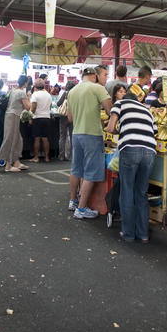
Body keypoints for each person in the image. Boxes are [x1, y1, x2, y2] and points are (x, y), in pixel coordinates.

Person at [106, 85, 156, 243]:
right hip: (150, 151)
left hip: (130, 149)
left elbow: (110, 127)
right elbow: (153, 132)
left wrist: (119, 132)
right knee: (141, 193)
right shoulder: (147, 109)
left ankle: (128, 234)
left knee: (127, 191)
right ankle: (143, 235)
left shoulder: (120, 104)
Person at [67, 67, 112, 219]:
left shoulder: (72, 91)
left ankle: (73, 201)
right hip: (92, 134)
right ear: (94, 76)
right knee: (91, 172)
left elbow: (69, 118)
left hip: (76, 133)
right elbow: (110, 110)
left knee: (76, 169)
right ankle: (81, 209)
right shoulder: (98, 88)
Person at [0, 75, 31, 172]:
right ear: (25, 83)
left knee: (18, 139)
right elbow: (28, 107)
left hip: (9, 115)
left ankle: (16, 162)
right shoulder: (21, 93)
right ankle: (8, 165)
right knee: (12, 139)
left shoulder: (12, 90)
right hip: (14, 116)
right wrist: (29, 97)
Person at [29, 79, 52, 163]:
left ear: (35, 86)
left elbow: (33, 107)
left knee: (37, 139)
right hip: (47, 118)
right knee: (45, 139)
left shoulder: (35, 95)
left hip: (37, 118)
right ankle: (46, 157)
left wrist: (30, 116)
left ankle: (36, 157)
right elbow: (50, 107)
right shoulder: (48, 95)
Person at [56, 80, 76, 161]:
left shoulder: (65, 93)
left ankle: (61, 155)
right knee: (72, 136)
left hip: (64, 117)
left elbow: (58, 103)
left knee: (62, 136)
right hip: (73, 116)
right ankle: (72, 156)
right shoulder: (76, 94)